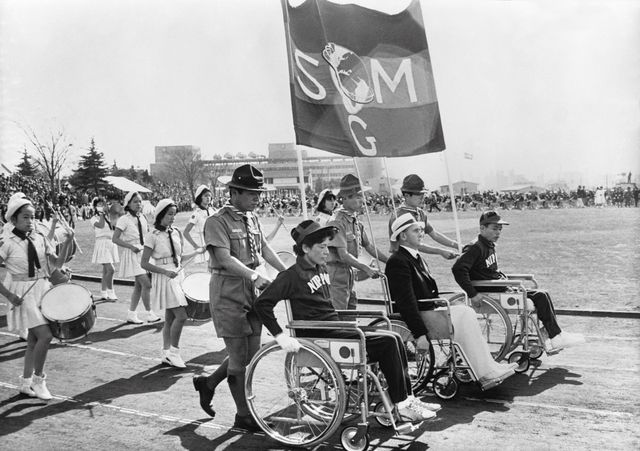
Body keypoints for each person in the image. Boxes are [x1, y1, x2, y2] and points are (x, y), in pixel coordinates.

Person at [254, 219, 439, 424]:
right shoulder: (290, 276)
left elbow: (328, 308)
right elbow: (262, 304)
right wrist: (280, 336)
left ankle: (408, 399)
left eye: (327, 246)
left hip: (334, 327)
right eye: (322, 247)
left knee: (394, 337)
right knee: (387, 343)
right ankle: (402, 405)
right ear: (305, 247)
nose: (327, 252)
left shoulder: (321, 269)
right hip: (319, 334)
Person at [192, 164, 287, 431]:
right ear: (233, 192)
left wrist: (288, 272)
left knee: (250, 355)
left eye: (258, 192)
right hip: (229, 292)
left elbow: (265, 249)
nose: (257, 198)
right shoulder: (217, 221)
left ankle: (208, 384)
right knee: (237, 359)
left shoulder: (252, 218)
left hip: (253, 291)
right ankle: (243, 415)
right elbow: (223, 258)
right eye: (251, 193)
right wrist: (254, 275)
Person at [386, 214, 517, 387]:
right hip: (419, 316)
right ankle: (485, 370)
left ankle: (487, 368)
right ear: (403, 236)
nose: (421, 233)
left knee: (466, 313)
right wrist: (419, 334)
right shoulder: (398, 261)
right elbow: (405, 302)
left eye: (421, 230)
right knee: (465, 313)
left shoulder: (415, 258)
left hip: (429, 310)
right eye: (416, 230)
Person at [452, 211, 585, 351]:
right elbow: (458, 269)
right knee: (540, 296)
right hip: (491, 292)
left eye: (500, 229)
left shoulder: (488, 245)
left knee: (543, 294)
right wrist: (472, 294)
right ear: (482, 228)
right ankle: (556, 336)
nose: (498, 232)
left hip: (501, 287)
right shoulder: (475, 247)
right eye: (494, 228)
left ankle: (555, 334)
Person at [0, 196, 74, 399]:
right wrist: (9, 295)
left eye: (32, 217)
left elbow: (56, 264)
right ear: (13, 219)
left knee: (34, 339)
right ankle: (39, 380)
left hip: (42, 289)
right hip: (21, 293)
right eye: (25, 217)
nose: (30, 221)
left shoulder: (39, 237)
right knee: (45, 336)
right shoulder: (6, 242)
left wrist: (67, 242)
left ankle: (25, 383)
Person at [141, 199, 206, 368]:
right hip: (165, 278)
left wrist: (197, 251)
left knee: (170, 318)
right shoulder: (152, 235)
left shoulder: (176, 232)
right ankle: (174, 353)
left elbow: (179, 258)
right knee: (181, 316)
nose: (172, 218)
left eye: (174, 214)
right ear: (161, 215)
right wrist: (165, 272)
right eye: (169, 214)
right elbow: (144, 263)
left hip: (178, 276)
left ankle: (165, 352)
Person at [326, 174, 387, 310]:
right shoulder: (337, 221)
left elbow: (369, 246)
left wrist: (390, 261)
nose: (362, 200)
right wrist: (366, 268)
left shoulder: (353, 219)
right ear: (346, 198)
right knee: (339, 314)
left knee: (352, 310)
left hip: (349, 272)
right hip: (337, 274)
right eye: (358, 196)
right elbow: (343, 255)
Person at [112, 191, 160, 324]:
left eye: (140, 201)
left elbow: (148, 235)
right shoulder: (124, 219)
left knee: (139, 286)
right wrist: (130, 246)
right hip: (133, 254)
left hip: (144, 253)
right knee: (147, 284)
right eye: (135, 202)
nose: (138, 204)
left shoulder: (143, 217)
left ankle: (131, 314)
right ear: (128, 204)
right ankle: (149, 313)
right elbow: (115, 239)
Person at [388, 174, 458, 259]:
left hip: (415, 258)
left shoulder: (420, 213)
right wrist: (440, 251)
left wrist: (458, 245)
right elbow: (412, 243)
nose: (422, 197)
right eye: (418, 194)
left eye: (423, 194)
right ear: (406, 195)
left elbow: (435, 234)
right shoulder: (400, 216)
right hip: (401, 260)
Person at [90, 197, 119, 301]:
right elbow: (101, 225)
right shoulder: (94, 218)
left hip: (110, 242)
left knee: (106, 271)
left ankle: (103, 292)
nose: (102, 206)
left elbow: (115, 227)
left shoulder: (108, 217)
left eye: (103, 204)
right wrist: (102, 214)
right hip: (101, 243)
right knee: (111, 269)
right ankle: (111, 292)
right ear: (95, 207)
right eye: (99, 205)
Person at [183, 185, 214, 264]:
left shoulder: (213, 211)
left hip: (214, 242)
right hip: (203, 243)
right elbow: (186, 232)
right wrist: (196, 246)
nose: (208, 198)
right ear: (200, 198)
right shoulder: (196, 213)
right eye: (205, 196)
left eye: (209, 196)